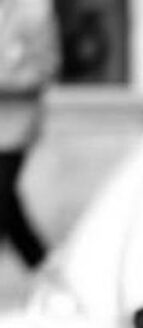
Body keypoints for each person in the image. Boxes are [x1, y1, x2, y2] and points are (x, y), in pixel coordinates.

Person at [0, 0, 58, 270]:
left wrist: (6, 81)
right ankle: (44, 266)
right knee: (8, 204)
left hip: (14, 126)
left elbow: (46, 69)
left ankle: (43, 265)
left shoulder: (35, 11)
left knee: (2, 195)